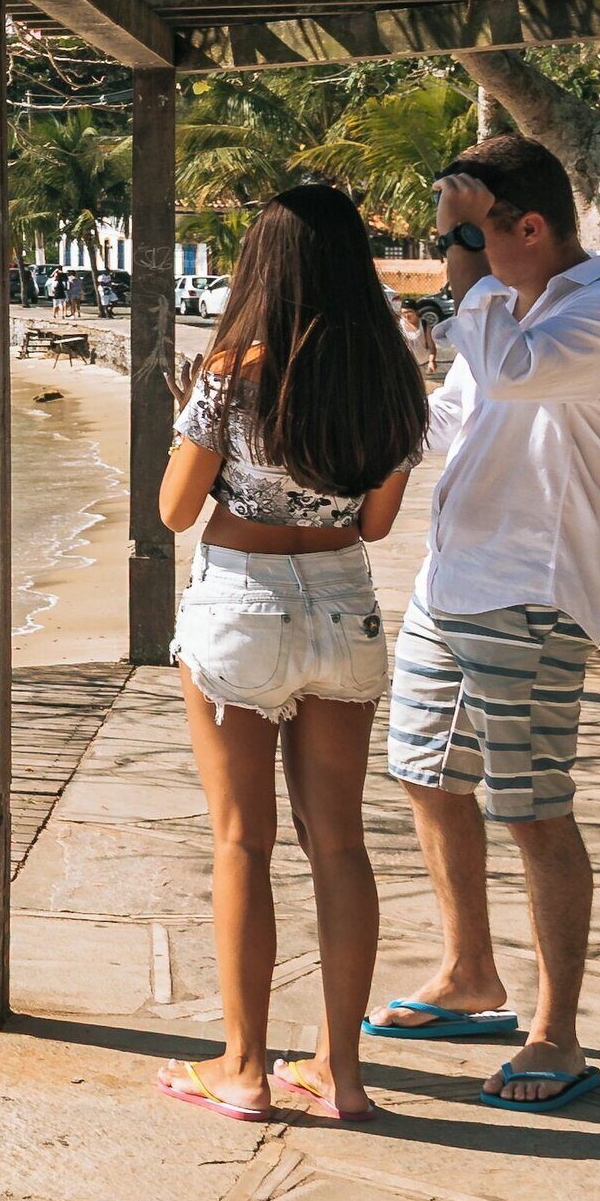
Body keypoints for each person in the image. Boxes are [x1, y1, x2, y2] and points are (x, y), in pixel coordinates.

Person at [365, 134, 600, 1113]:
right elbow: (459, 414)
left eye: (477, 239)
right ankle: (470, 974)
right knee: (424, 772)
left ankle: (557, 1032)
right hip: (451, 585)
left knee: (532, 809)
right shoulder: (508, 306)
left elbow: (516, 373)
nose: (466, 260)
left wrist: (465, 283)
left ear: (530, 228)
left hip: (530, 595)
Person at [153, 185, 426, 1124]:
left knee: (242, 841)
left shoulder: (233, 370)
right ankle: (342, 1076)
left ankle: (241, 1069)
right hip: (344, 605)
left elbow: (175, 510)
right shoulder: (395, 378)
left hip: (241, 604)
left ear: (261, 266)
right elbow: (379, 523)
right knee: (340, 842)